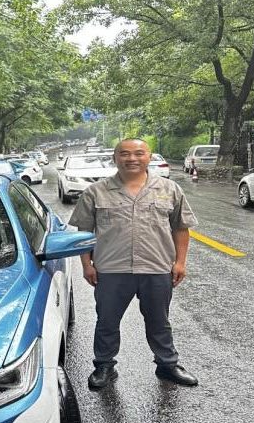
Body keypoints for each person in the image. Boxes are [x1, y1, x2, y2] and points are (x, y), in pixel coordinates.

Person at [69, 138, 199, 389]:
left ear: (149, 157)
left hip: (157, 267)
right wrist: (87, 265)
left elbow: (181, 228)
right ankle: (104, 366)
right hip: (111, 269)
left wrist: (180, 263)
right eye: (125, 154)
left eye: (139, 153)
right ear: (115, 158)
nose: (132, 158)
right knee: (107, 321)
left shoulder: (169, 189)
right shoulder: (96, 191)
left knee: (159, 321)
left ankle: (167, 364)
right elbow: (83, 231)